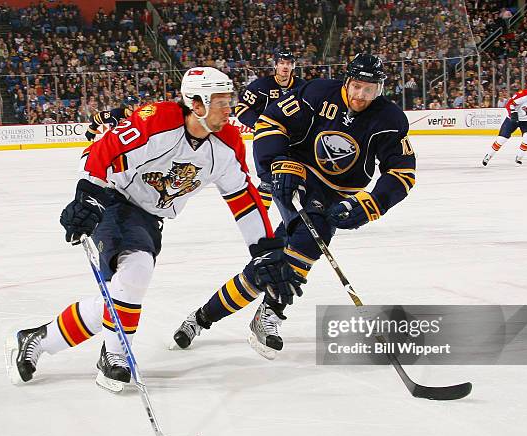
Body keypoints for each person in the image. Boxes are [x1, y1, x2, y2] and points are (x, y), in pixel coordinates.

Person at [5, 67, 304, 392]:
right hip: (114, 198)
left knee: (121, 295)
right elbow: (105, 150)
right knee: (136, 271)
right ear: (197, 104)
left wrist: (265, 251)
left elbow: (244, 200)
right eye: (220, 102)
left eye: (227, 101)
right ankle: (114, 356)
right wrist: (87, 197)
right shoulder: (158, 120)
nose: (228, 110)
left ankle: (40, 339)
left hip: (149, 216)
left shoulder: (228, 143)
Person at [171, 54, 417, 360]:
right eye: (356, 86)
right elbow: (271, 122)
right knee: (310, 240)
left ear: (380, 88)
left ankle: (202, 317)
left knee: (278, 262)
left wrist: (371, 204)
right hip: (299, 177)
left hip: (338, 193)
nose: (360, 96)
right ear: (346, 80)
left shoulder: (390, 119)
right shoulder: (317, 94)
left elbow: (401, 173)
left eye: (370, 90)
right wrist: (278, 163)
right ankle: (265, 314)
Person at [234, 51, 305, 209]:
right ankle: (260, 219)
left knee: (297, 181)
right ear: (275, 65)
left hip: (295, 141)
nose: (285, 66)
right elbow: (241, 108)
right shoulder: (261, 86)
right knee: (267, 182)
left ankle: (299, 221)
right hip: (267, 139)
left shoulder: (301, 86)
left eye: (289, 63)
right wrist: (259, 123)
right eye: (282, 63)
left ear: (293, 66)